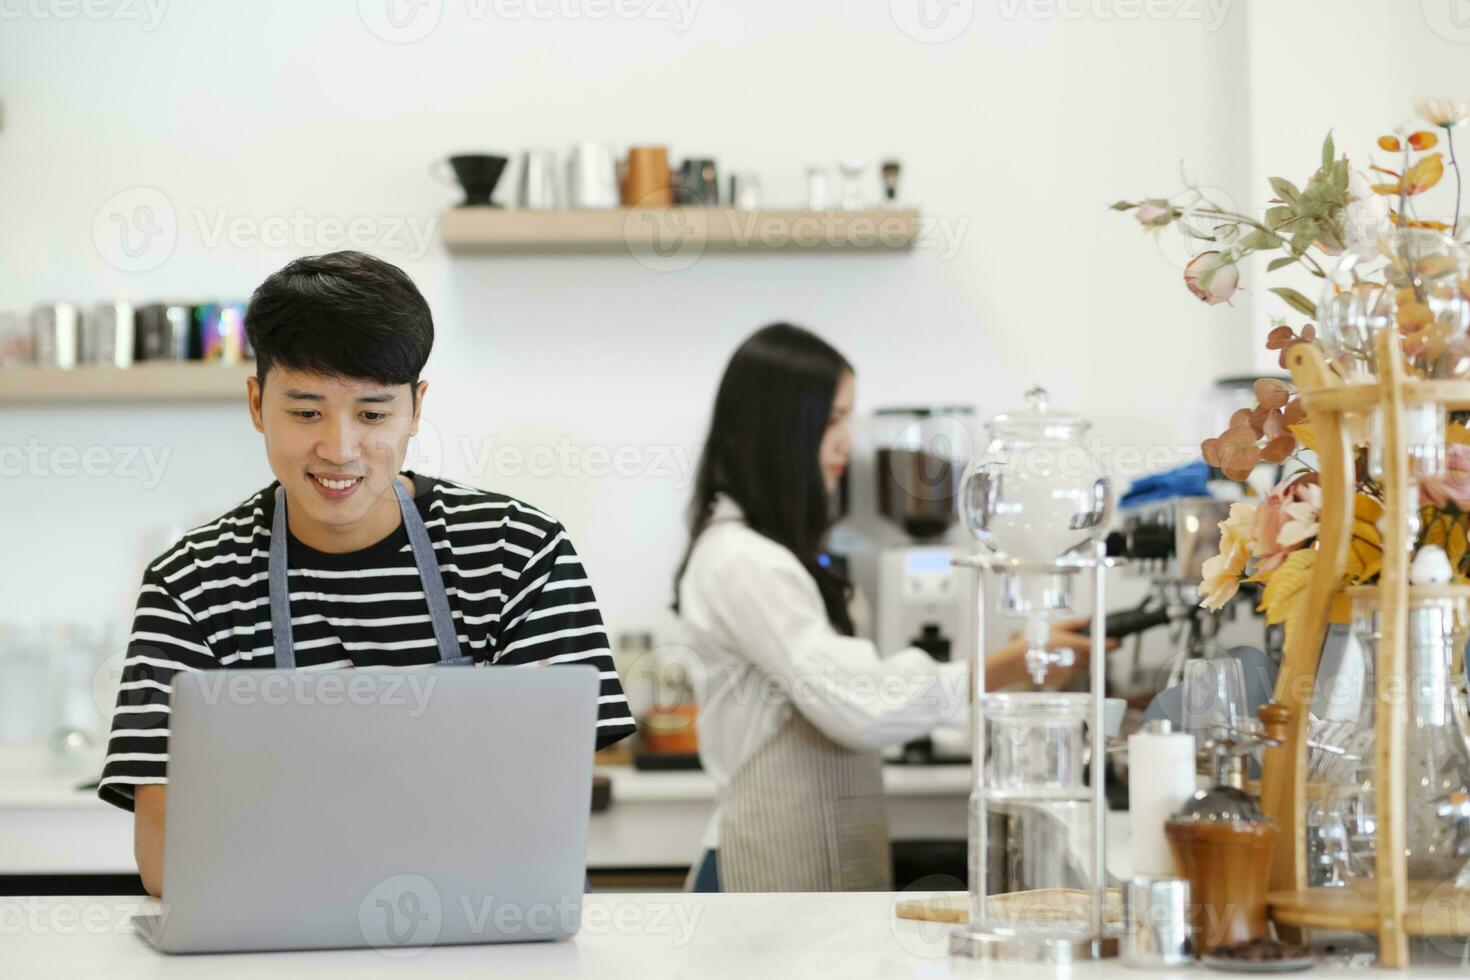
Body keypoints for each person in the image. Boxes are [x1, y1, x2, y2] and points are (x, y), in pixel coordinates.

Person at [98, 251, 636, 897]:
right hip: (271, 939)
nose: (340, 447)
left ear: (416, 408)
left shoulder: (516, 551)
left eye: (373, 414)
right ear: (254, 402)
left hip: (479, 937)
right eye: (305, 412)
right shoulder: (190, 583)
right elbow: (167, 851)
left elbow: (547, 807)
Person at [674, 323, 1100, 893]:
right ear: (777, 431)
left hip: (814, 863)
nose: (847, 443)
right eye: (831, 421)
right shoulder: (740, 561)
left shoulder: (776, 555)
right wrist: (1011, 665)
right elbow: (863, 704)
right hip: (762, 867)